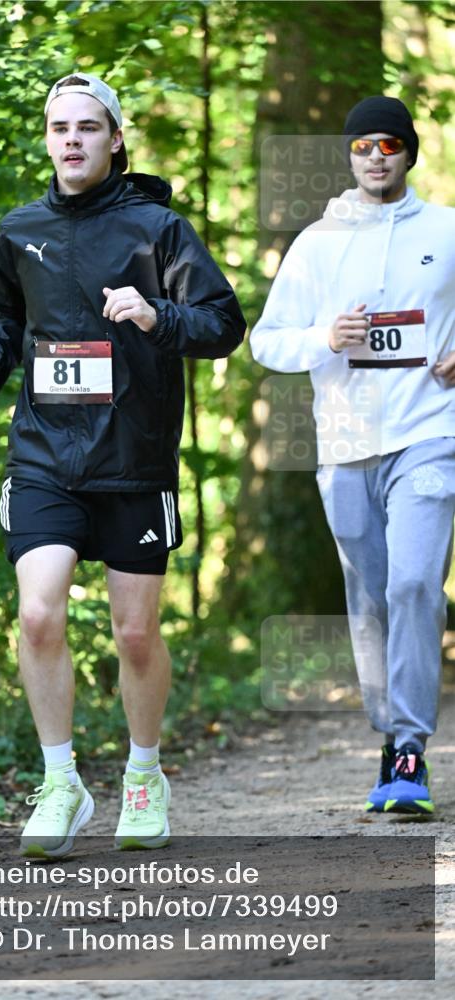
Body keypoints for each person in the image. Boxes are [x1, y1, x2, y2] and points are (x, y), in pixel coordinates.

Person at [0, 72, 246, 856]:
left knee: (135, 633)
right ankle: (60, 782)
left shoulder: (156, 227)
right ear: (46, 138)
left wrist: (157, 315)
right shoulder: (20, 229)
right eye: (60, 128)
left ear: (115, 139)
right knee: (39, 612)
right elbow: (5, 317)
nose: (73, 140)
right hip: (45, 454)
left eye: (89, 127)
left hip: (133, 460)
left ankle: (144, 775)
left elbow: (223, 323)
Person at [250, 96, 455, 815]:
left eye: (389, 144)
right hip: (342, 446)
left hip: (429, 435)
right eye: (363, 145)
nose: (375, 155)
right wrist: (321, 340)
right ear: (349, 155)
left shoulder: (446, 231)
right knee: (370, 599)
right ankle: (389, 732)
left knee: (410, 587)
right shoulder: (315, 243)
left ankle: (407, 746)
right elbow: (265, 341)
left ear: (408, 153)